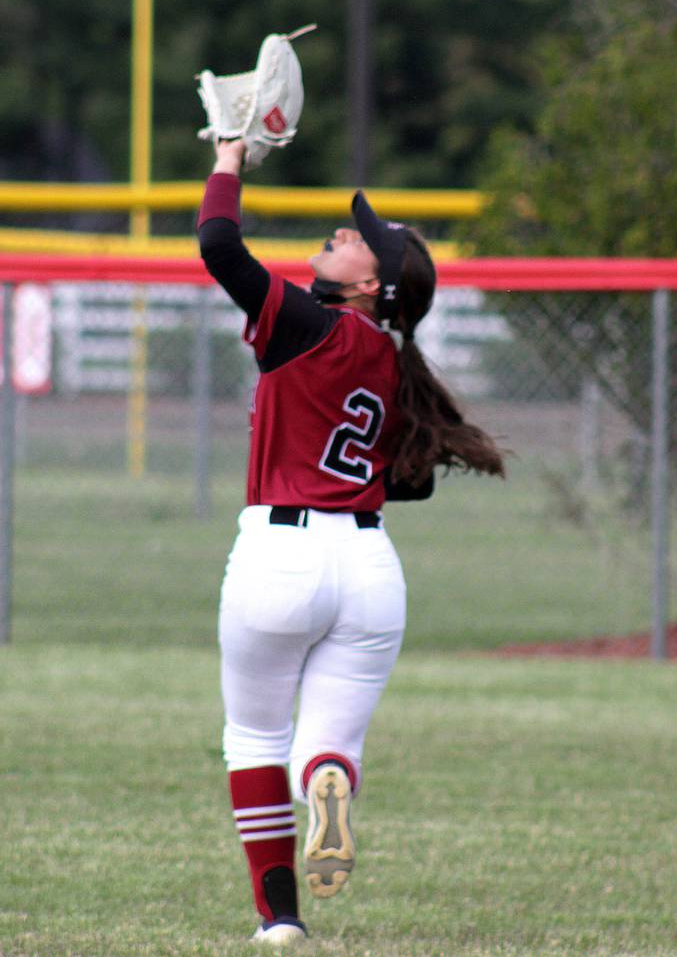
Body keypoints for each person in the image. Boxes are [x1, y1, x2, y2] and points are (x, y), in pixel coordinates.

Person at [198, 138, 508, 946]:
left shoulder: (309, 326)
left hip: (280, 553)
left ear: (371, 284)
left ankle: (279, 923)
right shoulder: (394, 363)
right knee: (324, 745)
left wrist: (230, 158)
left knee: (254, 738)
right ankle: (327, 780)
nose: (343, 233)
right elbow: (412, 480)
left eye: (357, 239)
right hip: (370, 569)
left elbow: (219, 245)